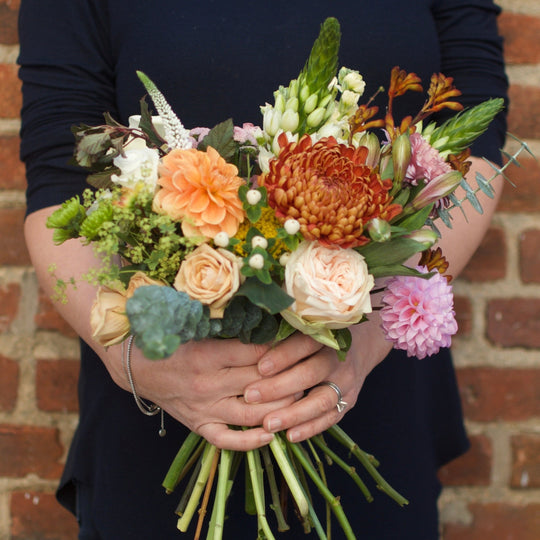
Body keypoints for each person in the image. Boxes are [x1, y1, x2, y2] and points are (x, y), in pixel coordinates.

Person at [18, 0, 508, 538]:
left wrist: (367, 332)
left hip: (369, 394)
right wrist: (135, 356)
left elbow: (475, 144)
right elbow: (58, 181)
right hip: (163, 407)